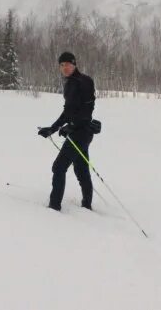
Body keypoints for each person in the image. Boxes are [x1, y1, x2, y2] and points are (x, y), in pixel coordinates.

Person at [38, 52, 96, 211]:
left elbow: (87, 110)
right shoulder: (69, 83)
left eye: (68, 64)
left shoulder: (84, 82)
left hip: (81, 132)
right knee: (81, 169)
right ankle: (87, 205)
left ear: (74, 64)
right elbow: (67, 112)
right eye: (61, 65)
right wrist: (53, 128)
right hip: (80, 132)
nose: (64, 68)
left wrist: (73, 125)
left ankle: (54, 206)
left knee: (58, 167)